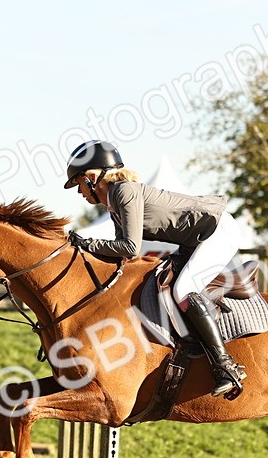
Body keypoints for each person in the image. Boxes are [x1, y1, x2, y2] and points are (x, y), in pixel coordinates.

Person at [63, 140, 247, 399]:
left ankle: (226, 367)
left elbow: (129, 247)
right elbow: (119, 254)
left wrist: (87, 242)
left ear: (92, 177)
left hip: (216, 231)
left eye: (79, 184)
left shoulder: (123, 192)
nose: (80, 192)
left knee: (183, 289)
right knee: (165, 281)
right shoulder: (115, 202)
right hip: (194, 240)